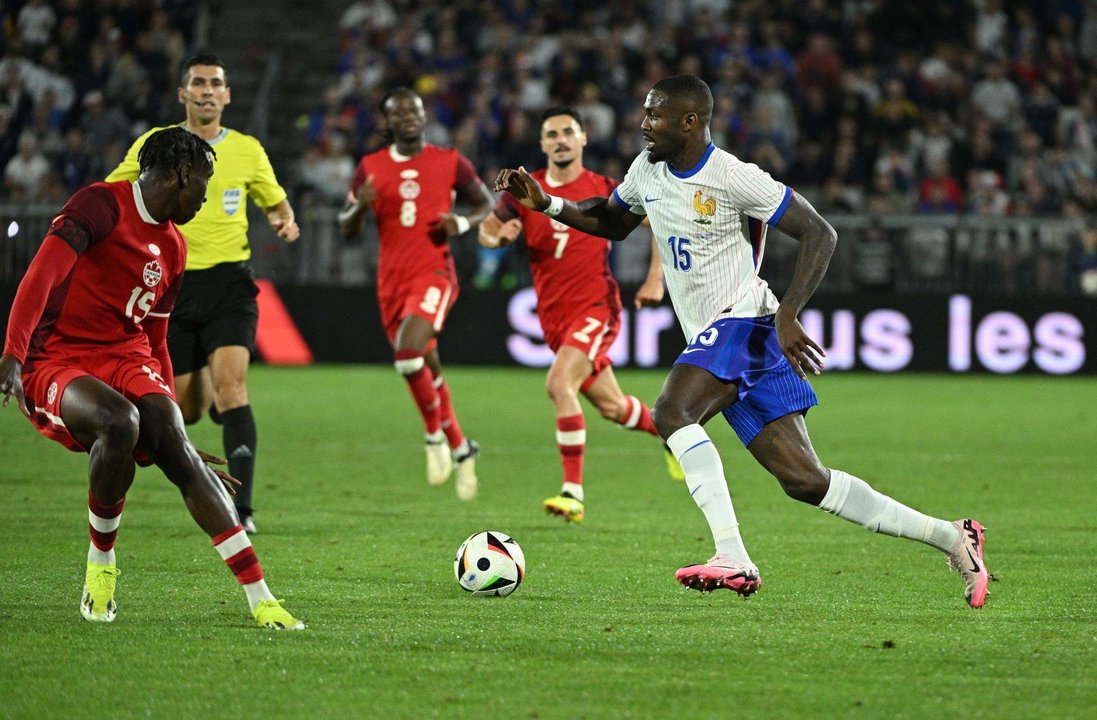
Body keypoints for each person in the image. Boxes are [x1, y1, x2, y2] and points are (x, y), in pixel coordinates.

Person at [494, 75, 990, 608]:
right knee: (806, 481)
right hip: (728, 339)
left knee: (671, 414)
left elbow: (820, 232)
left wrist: (790, 314)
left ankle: (731, 553)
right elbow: (613, 221)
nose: (642, 124)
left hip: (745, 322)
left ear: (690, 121)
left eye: (654, 115)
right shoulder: (648, 170)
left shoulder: (733, 176)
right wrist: (546, 204)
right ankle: (953, 537)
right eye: (644, 113)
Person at [0, 127, 302, 629]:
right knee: (119, 422)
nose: (205, 197)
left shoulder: (176, 248)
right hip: (56, 357)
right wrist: (13, 352)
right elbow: (42, 274)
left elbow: (155, 339)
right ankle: (101, 565)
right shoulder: (99, 205)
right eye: (204, 184)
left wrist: (175, 424)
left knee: (176, 448)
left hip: (125, 353)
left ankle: (261, 598)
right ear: (182, 174)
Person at [106, 54, 301, 535]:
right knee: (187, 409)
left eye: (216, 83)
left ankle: (243, 509)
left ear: (228, 95)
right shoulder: (158, 146)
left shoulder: (248, 150)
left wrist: (284, 218)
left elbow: (276, 201)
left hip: (230, 283)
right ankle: (211, 399)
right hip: (170, 286)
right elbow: (113, 194)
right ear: (183, 93)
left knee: (234, 388)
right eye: (198, 83)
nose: (208, 90)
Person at [478, 106, 683, 524]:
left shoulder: (606, 187)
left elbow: (659, 221)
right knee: (613, 408)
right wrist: (498, 237)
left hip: (595, 308)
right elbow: (486, 228)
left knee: (558, 384)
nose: (560, 139)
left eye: (568, 132)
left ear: (583, 139)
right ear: (541, 143)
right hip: (554, 319)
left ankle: (572, 492)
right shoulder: (523, 189)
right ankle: (676, 435)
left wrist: (655, 278)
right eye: (551, 133)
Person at [339, 88, 493, 500]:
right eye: (398, 112)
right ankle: (462, 446)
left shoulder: (449, 161)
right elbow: (347, 227)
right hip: (391, 281)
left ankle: (433, 438)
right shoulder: (370, 166)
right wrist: (358, 208)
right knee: (426, 362)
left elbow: (485, 203)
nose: (407, 116)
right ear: (388, 122)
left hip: (434, 273)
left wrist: (460, 225)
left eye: (414, 110)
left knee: (407, 355)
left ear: (424, 117)